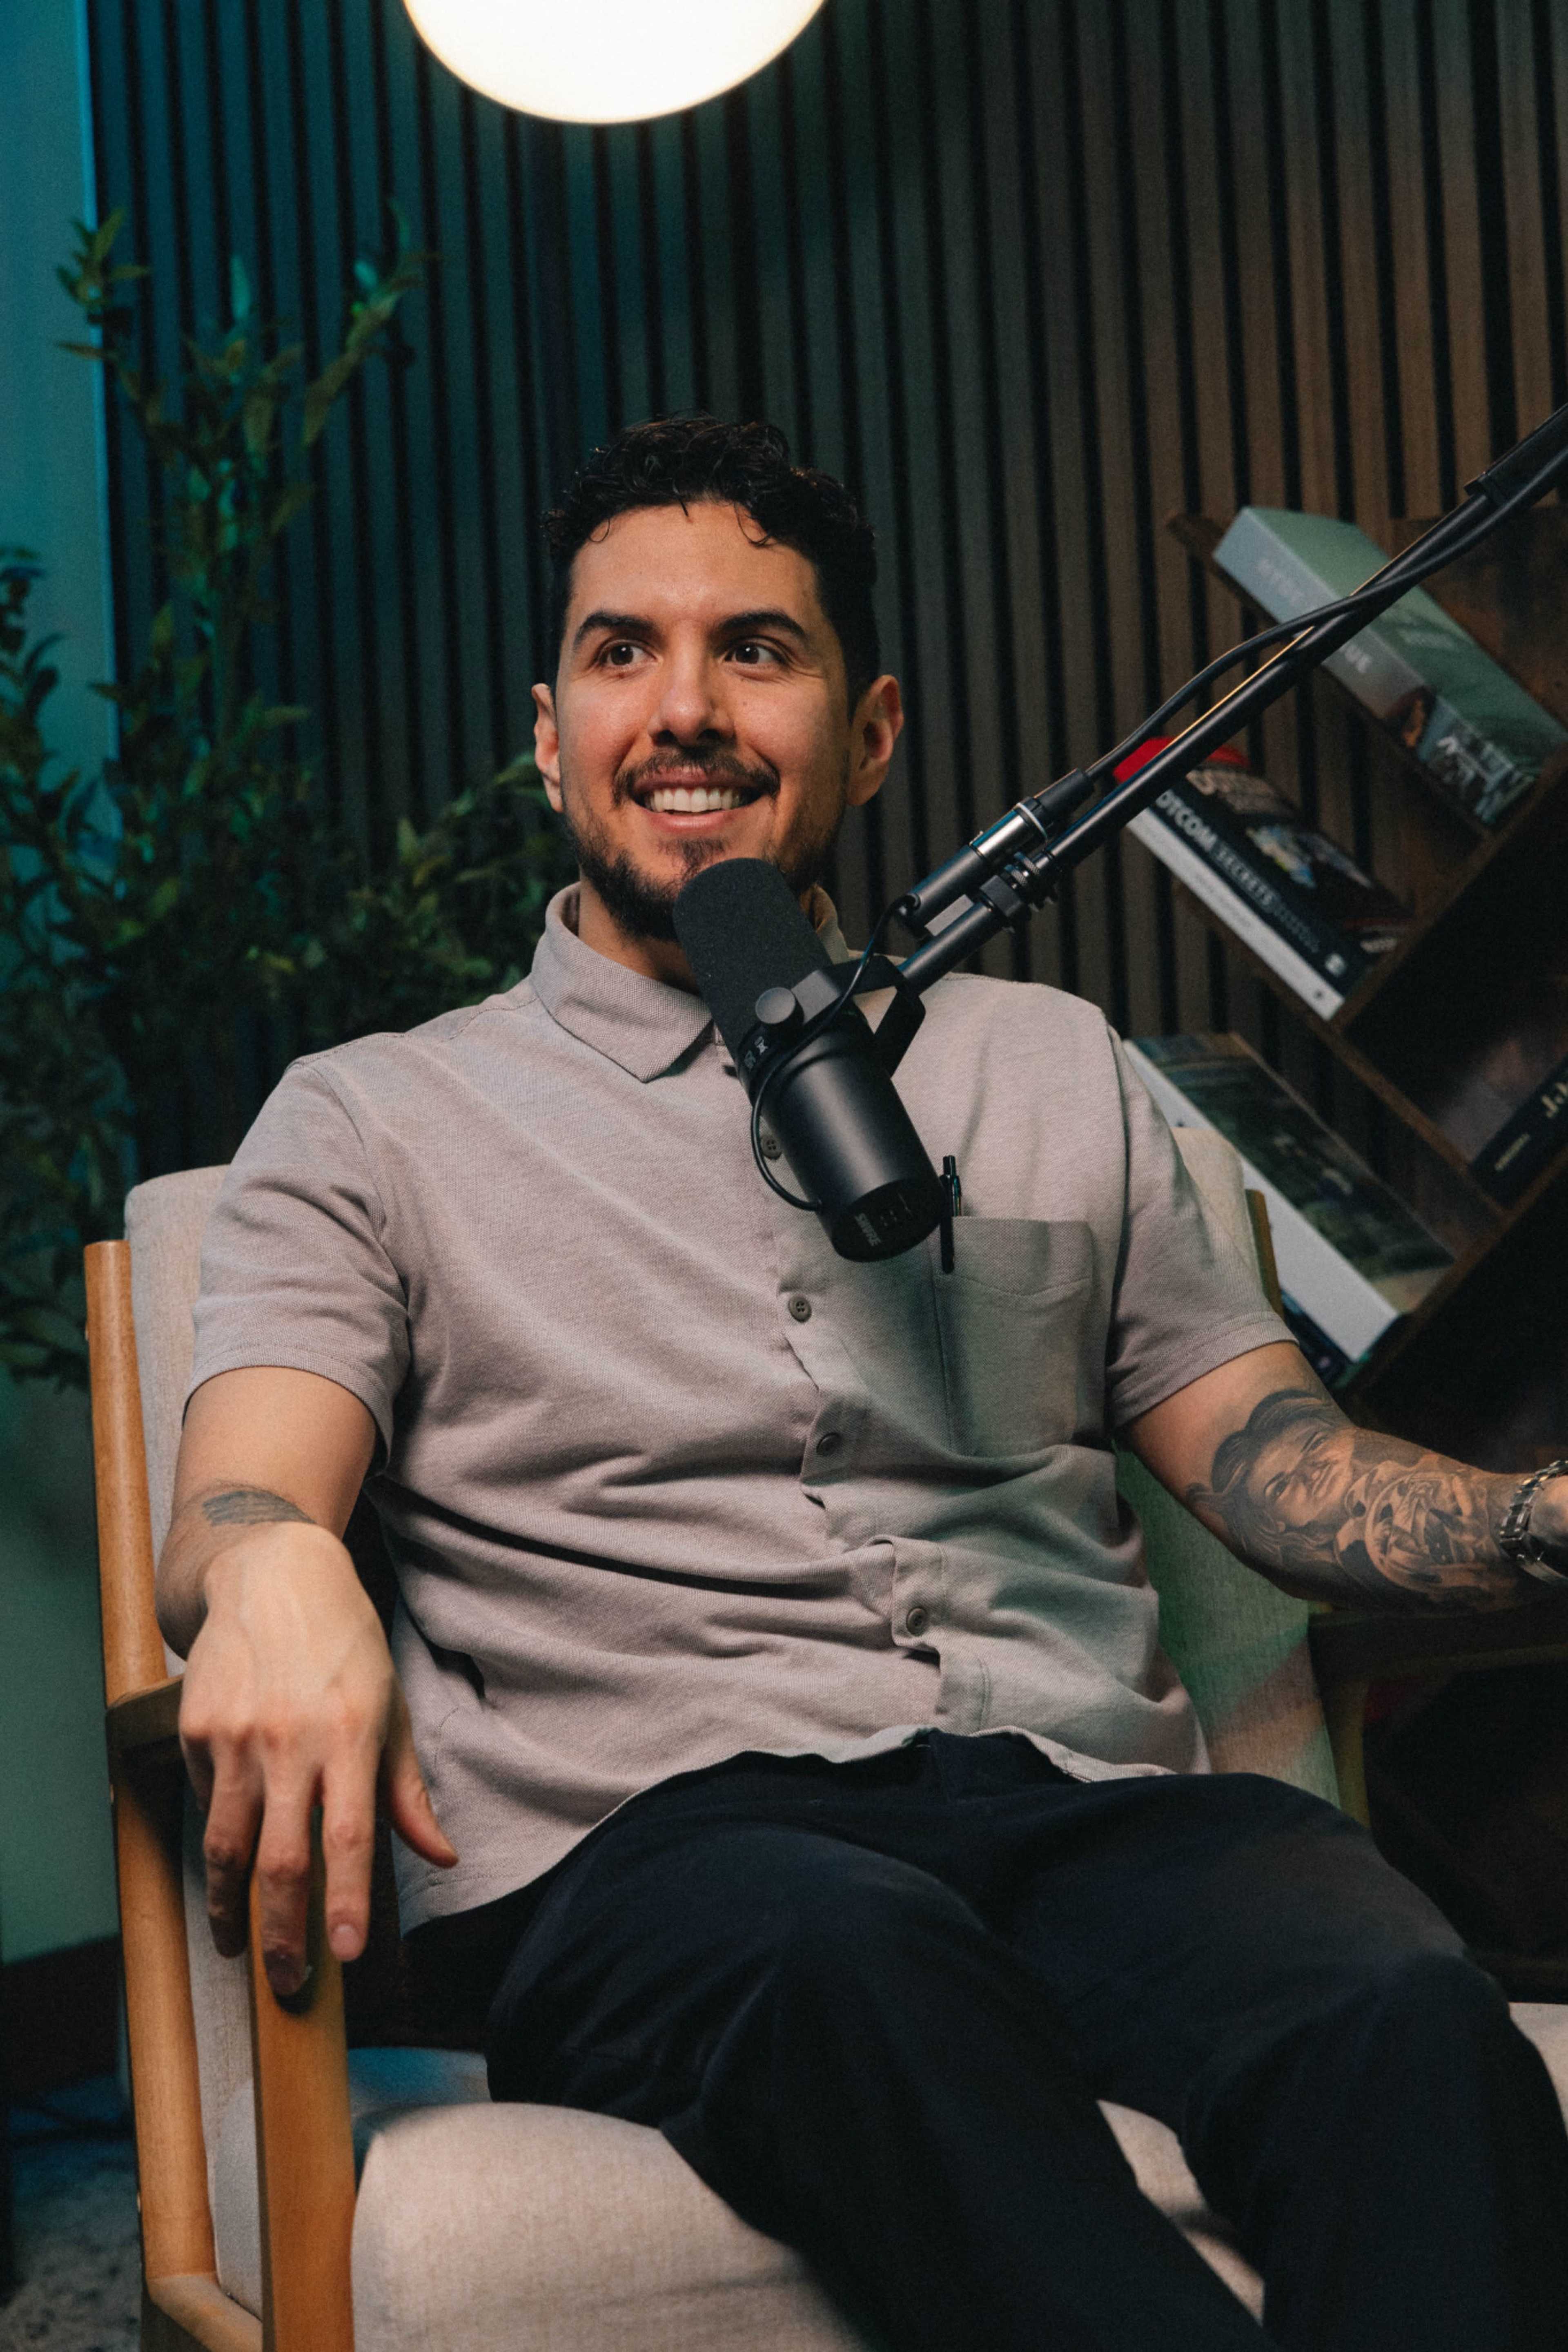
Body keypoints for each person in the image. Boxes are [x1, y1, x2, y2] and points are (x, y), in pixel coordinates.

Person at [158, 416, 1568, 2352]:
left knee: (1407, 2012)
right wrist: (271, 1570)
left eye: (757, 648)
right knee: (860, 1960)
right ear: (548, 733)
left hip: (1090, 1805)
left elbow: (1260, 1450)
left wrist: (1527, 1522)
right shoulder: (376, 1117)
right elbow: (240, 1492)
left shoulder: (1049, 1063)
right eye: (620, 652)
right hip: (664, 1852)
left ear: (874, 727)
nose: (685, 710)